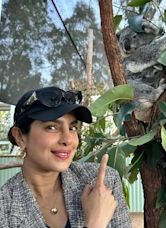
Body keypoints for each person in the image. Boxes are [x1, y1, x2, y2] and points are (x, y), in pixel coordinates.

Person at [0, 86, 132, 227]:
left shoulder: (102, 184)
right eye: (52, 127)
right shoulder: (5, 208)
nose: (68, 140)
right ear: (20, 137)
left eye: (72, 128)